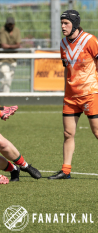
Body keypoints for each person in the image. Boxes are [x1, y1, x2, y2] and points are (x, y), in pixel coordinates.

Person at [49, 10, 98, 179]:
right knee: (68, 133)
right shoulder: (63, 44)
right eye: (61, 23)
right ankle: (66, 170)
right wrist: (65, 92)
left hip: (90, 93)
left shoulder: (90, 40)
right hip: (70, 97)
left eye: (66, 23)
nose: (62, 26)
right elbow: (67, 71)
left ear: (75, 24)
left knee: (97, 131)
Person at [0, 16, 21, 92]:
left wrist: (9, 46)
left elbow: (18, 44)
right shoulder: (2, 31)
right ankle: (5, 96)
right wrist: (13, 47)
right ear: (6, 24)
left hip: (13, 59)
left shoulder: (17, 30)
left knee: (9, 79)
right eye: (9, 24)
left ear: (14, 24)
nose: (10, 26)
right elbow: (4, 45)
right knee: (6, 77)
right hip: (3, 59)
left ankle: (2, 95)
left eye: (12, 24)